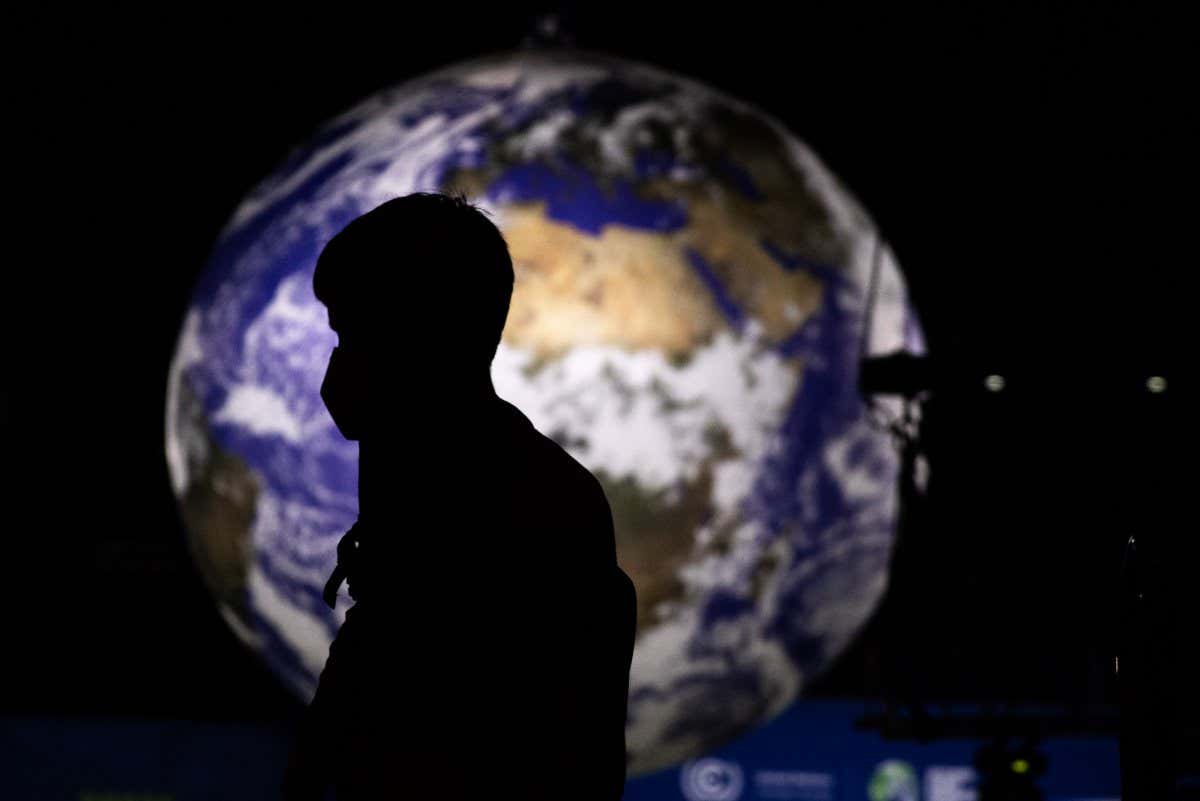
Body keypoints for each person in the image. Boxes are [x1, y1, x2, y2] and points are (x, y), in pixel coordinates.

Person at [281, 192, 638, 801]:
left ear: (419, 337)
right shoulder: (418, 498)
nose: (339, 366)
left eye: (355, 332)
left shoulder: (529, 508)